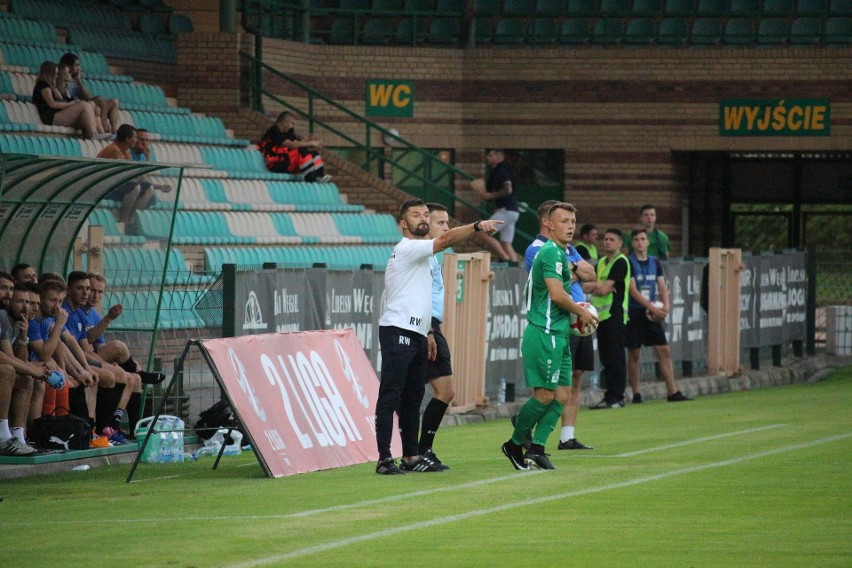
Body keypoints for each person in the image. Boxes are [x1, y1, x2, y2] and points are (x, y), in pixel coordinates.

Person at [375, 198, 502, 474]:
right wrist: (477, 225)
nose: (422, 218)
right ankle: (384, 458)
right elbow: (444, 240)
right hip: (398, 329)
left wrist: (430, 330)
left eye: (424, 214)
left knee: (412, 398)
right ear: (402, 224)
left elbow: (422, 296)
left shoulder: (423, 255)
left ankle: (411, 457)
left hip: (419, 331)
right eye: (415, 215)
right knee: (391, 395)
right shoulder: (408, 248)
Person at [502, 202, 597, 471]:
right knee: (544, 395)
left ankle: (537, 448)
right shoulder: (547, 253)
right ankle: (514, 444)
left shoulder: (561, 252)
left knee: (563, 394)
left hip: (561, 333)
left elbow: (589, 272)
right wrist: (583, 312)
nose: (570, 226)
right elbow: (556, 294)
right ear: (549, 224)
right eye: (564, 221)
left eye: (573, 221)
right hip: (544, 333)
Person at [63, 272, 140, 443]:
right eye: (83, 289)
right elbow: (75, 348)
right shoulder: (66, 312)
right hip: (69, 363)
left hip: (83, 360)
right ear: (68, 290)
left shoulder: (84, 314)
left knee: (133, 379)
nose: (89, 294)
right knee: (116, 366)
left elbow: (89, 346)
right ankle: (100, 428)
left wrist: (103, 363)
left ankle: (125, 430)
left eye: (93, 290)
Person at [626, 229, 691, 404]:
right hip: (636, 311)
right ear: (632, 243)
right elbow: (632, 290)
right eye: (636, 239)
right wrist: (651, 307)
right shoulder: (629, 262)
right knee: (634, 353)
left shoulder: (655, 262)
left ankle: (673, 391)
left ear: (648, 242)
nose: (640, 242)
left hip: (653, 312)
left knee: (664, 350)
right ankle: (636, 393)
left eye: (642, 239)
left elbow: (662, 286)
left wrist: (666, 306)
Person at [416, 203, 454, 470]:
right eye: (441, 223)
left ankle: (422, 450)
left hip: (431, 326)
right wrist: (429, 329)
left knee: (443, 391)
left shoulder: (432, 257)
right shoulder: (420, 255)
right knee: (443, 391)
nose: (447, 228)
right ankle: (419, 451)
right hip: (423, 327)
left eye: (447, 223)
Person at [0, 276, 51, 455]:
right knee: (7, 371)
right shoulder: (2, 315)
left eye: (27, 302)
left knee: (25, 379)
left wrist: (23, 338)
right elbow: (5, 358)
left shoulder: (11, 320)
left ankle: (19, 436)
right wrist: (32, 369)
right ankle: (3, 437)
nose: (26, 306)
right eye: (20, 301)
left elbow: (14, 357)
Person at [585, 228, 630, 409]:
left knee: (616, 356)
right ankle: (609, 395)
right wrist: (600, 286)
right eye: (606, 239)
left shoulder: (621, 262)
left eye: (612, 239)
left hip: (615, 314)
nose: (607, 242)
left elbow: (602, 289)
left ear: (620, 243)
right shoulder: (601, 262)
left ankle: (617, 396)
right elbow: (586, 286)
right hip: (600, 316)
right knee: (605, 356)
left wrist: (600, 287)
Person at [31, 61, 103, 140]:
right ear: (49, 74)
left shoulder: (51, 87)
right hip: (51, 117)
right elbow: (53, 104)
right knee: (84, 105)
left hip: (57, 114)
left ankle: (101, 134)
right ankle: (92, 135)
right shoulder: (43, 85)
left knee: (91, 105)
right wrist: (71, 104)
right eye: (55, 74)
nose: (56, 77)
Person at [470, 149, 520, 263]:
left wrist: (490, 196)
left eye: (490, 155)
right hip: (512, 210)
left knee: (482, 233)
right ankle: (515, 269)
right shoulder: (502, 170)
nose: (488, 157)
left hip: (506, 210)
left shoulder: (501, 170)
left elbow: (508, 189)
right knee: (506, 243)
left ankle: (505, 259)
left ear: (498, 157)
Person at [258, 111, 331, 182]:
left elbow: (295, 143)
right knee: (300, 150)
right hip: (275, 165)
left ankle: (319, 176)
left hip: (285, 162)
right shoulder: (274, 132)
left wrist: (306, 141)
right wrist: (310, 143)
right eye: (292, 123)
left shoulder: (286, 133)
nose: (292, 126)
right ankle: (310, 177)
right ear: (285, 123)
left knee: (314, 153)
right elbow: (292, 145)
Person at [59, 52, 120, 135]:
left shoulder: (76, 79)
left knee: (114, 101)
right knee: (99, 99)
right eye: (77, 65)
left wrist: (78, 80)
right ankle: (104, 128)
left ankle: (114, 131)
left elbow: (88, 97)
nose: (79, 68)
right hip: (77, 107)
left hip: (85, 104)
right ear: (69, 67)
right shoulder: (62, 79)